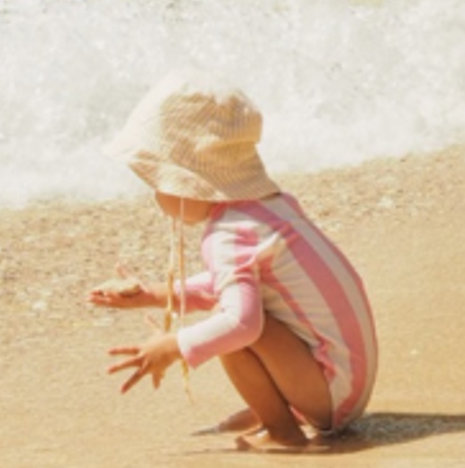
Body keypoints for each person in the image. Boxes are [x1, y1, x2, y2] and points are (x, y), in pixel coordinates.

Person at [90, 69, 378, 451]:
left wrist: (174, 344)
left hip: (329, 392)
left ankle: (281, 429)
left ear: (186, 178)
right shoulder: (268, 208)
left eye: (156, 181)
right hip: (349, 381)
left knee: (237, 332)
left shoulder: (227, 233)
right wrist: (157, 294)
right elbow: (235, 283)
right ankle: (281, 408)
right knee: (246, 317)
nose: (156, 196)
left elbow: (241, 323)